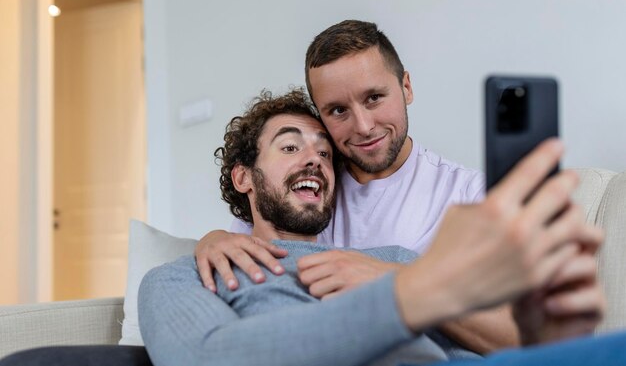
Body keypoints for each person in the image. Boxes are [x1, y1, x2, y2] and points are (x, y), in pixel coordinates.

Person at [138, 89, 615, 366]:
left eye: (325, 153)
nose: (314, 159)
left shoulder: (388, 262)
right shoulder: (181, 277)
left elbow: (517, 344)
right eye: (289, 148)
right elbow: (207, 359)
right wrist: (404, 298)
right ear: (243, 176)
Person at [194, 20, 513, 352]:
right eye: (337, 110)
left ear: (406, 87)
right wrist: (211, 241)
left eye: (374, 98)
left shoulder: (473, 195)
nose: (363, 127)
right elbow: (240, 266)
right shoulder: (302, 188)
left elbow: (522, 336)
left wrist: (392, 282)